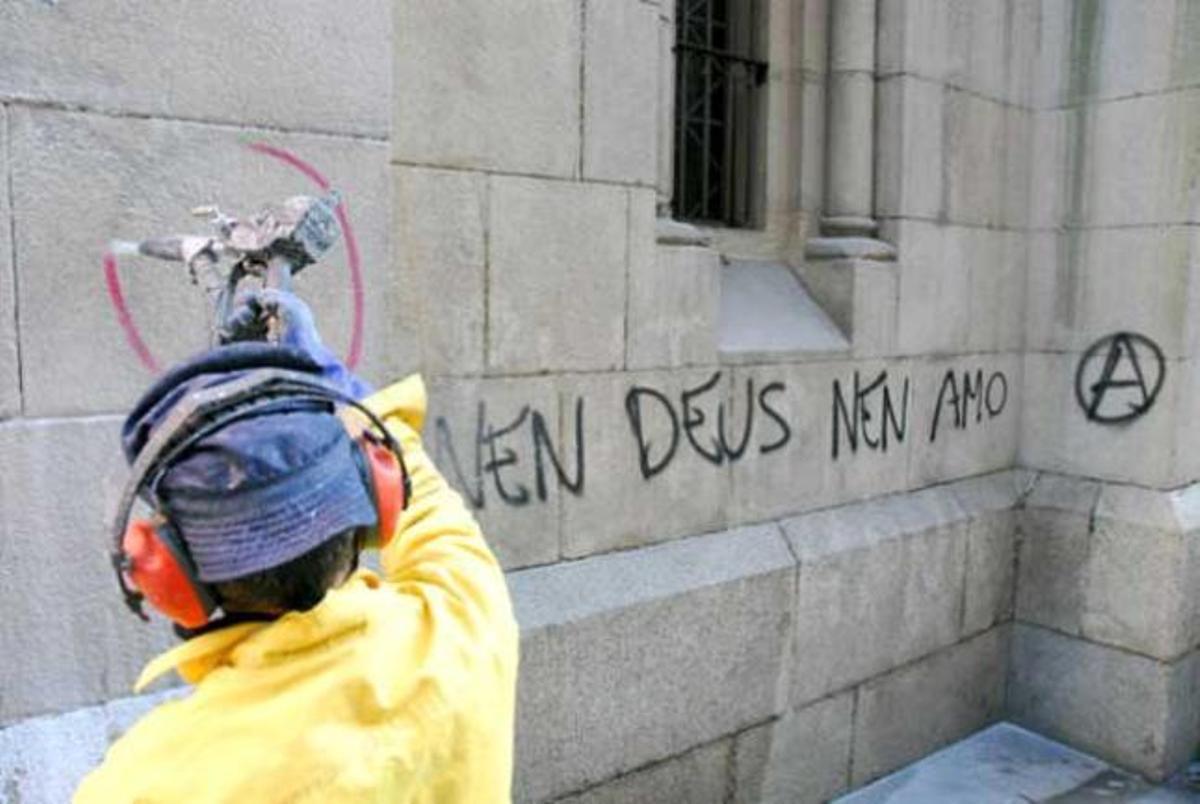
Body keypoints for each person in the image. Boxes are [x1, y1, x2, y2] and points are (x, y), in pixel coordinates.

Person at [75, 291, 519, 803]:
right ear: (378, 493)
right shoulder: (464, 625)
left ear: (171, 576)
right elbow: (429, 503)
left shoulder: (144, 783)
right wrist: (335, 377)